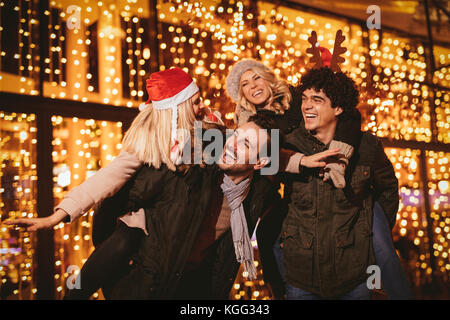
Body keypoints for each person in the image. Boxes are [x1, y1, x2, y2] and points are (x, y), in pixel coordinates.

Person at [225, 56, 413, 299]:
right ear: (241, 95)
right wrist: (300, 161)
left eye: (256, 78)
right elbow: (263, 158)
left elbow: (349, 116)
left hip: (350, 218)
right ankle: (280, 291)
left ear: (270, 79)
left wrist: (341, 152)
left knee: (382, 245)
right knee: (268, 234)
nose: (253, 86)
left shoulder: (295, 97)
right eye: (245, 84)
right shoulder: (252, 123)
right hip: (284, 190)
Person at [280, 66, 406, 299]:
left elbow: (387, 188)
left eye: (317, 100)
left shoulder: (366, 146)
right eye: (305, 98)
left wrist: (370, 232)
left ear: (338, 108)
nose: (307, 105)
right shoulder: (289, 144)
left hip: (354, 275)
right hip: (302, 276)